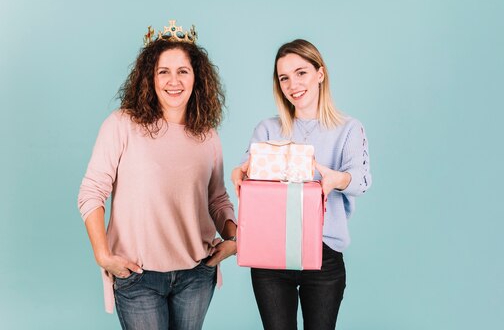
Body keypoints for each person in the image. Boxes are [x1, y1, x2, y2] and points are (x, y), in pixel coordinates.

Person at [77, 20, 237, 330]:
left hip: (196, 274)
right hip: (138, 277)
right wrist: (103, 255)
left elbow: (217, 199)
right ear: (150, 77)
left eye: (182, 71)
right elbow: (92, 191)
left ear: (197, 78)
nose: (173, 81)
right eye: (163, 71)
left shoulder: (207, 135)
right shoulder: (121, 124)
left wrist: (234, 238)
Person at [231, 39, 372, 330]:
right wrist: (241, 173)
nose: (292, 84)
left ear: (320, 74)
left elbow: (362, 180)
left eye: (301, 73)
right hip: (270, 256)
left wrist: (337, 179)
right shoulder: (267, 129)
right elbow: (249, 170)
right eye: (284, 77)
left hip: (324, 253)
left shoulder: (348, 128)